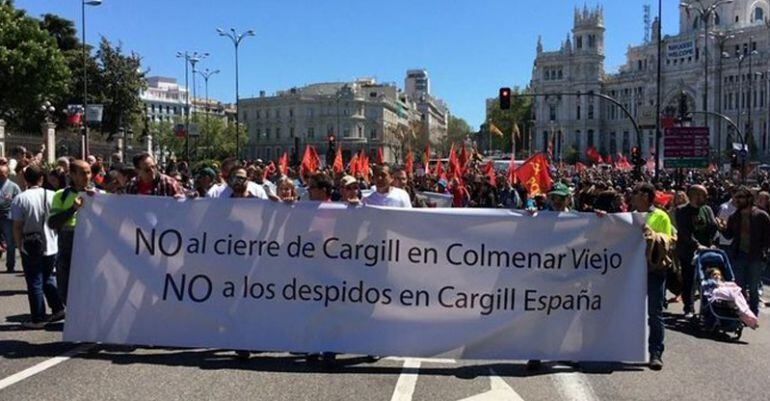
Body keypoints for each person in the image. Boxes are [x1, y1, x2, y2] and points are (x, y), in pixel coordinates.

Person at [10, 166, 64, 329]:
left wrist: (19, 244)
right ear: (42, 179)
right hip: (52, 244)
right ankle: (58, 308)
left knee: (34, 281)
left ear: (25, 179)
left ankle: (38, 317)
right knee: (47, 277)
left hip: (30, 245)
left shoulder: (21, 198)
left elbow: (17, 226)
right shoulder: (52, 195)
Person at [631, 182, 674, 371]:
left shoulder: (661, 216)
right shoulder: (629, 216)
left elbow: (667, 242)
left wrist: (650, 234)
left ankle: (656, 352)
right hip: (631, 272)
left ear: (646, 196)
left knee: (655, 313)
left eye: (635, 193)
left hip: (654, 271)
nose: (632, 196)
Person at [717, 186, 770, 316]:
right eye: (736, 198)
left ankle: (753, 313)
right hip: (739, 255)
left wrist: (764, 252)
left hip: (755, 257)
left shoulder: (761, 215)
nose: (738, 200)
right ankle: (742, 312)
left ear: (749, 199)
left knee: (753, 287)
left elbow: (768, 238)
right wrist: (722, 228)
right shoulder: (735, 216)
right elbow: (729, 236)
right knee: (738, 286)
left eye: (741, 197)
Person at [47, 160, 94, 304]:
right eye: (82, 173)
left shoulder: (99, 194)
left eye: (88, 172)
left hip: (91, 247)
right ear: (72, 175)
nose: (87, 176)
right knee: (66, 288)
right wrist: (72, 209)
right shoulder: (62, 195)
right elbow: (52, 223)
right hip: (68, 247)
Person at [675, 185, 718, 318]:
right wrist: (696, 245)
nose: (704, 198)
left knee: (708, 280)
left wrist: (714, 243)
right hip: (689, 251)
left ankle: (707, 308)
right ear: (693, 196)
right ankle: (688, 307)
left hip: (707, 251)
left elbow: (713, 227)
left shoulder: (707, 209)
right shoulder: (682, 210)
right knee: (689, 279)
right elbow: (684, 232)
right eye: (702, 195)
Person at [0, 165, 21, 272]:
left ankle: (10, 264)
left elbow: (19, 201)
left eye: (3, 173)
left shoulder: (14, 186)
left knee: (10, 242)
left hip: (7, 217)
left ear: (7, 173)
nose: (1, 175)